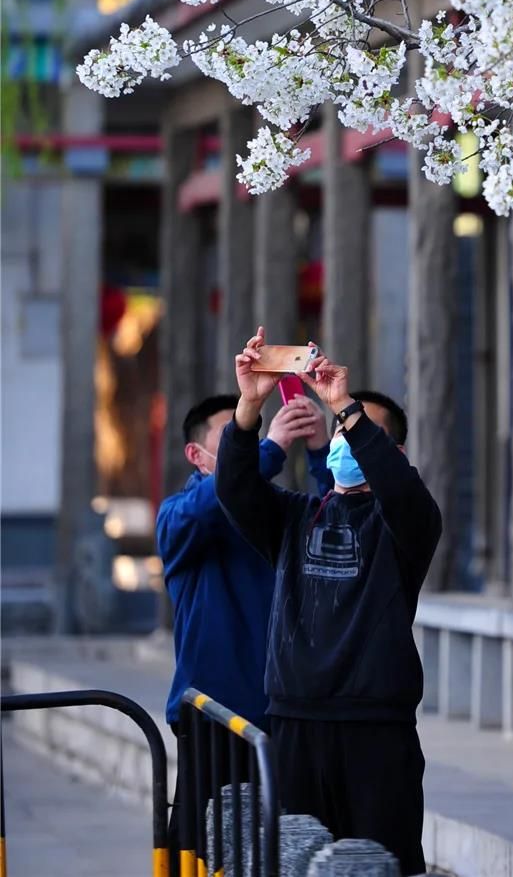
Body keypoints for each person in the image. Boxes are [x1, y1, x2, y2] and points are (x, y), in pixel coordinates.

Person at [216, 326, 442, 877]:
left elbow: (405, 495)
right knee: (295, 863)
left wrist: (343, 405)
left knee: (378, 864)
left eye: (358, 432)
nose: (343, 438)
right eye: (340, 430)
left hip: (375, 731)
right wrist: (250, 405)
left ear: (392, 451)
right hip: (294, 723)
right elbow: (234, 488)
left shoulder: (405, 531)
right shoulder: (295, 517)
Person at [157, 390, 329, 866]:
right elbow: (221, 497)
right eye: (233, 435)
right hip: (216, 721)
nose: (243, 443)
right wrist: (267, 448)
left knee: (285, 855)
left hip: (287, 719)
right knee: (202, 855)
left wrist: (318, 450)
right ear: (197, 455)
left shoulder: (275, 509)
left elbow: (343, 515)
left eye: (248, 433)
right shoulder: (180, 515)